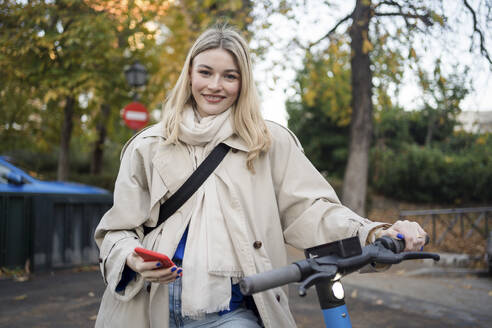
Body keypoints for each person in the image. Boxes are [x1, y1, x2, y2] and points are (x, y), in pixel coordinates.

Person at [94, 25, 427, 328]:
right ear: (189, 75)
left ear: (244, 83)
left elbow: (312, 211)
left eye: (229, 76)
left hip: (231, 312)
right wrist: (132, 258)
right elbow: (118, 229)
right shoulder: (149, 146)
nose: (214, 85)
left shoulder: (268, 143)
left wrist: (373, 232)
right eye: (205, 72)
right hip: (148, 310)